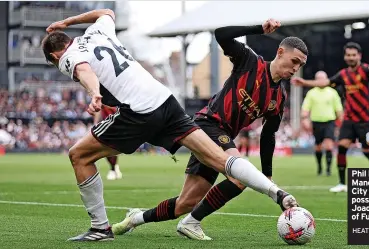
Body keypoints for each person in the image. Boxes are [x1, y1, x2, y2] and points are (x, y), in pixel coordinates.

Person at [42, 10, 298, 241]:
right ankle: (277, 194)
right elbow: (106, 12)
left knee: (79, 156)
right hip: (166, 100)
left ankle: (104, 227)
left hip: (139, 109)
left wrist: (94, 91)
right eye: (295, 62)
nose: (296, 69)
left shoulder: (69, 56)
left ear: (55, 55)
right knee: (223, 167)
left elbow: (84, 70)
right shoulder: (98, 30)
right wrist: (69, 21)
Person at [113, 21, 308, 240]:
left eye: (299, 66)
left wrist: (267, 174)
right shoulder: (250, 62)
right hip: (208, 125)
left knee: (185, 203)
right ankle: (192, 223)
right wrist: (259, 29)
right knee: (239, 176)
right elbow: (221, 34)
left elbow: (268, 134)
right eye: (294, 61)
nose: (294, 68)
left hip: (221, 137)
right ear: (280, 52)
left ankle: (134, 219)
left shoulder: (279, 98)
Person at [292, 42, 369, 192]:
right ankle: (342, 183)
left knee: (368, 152)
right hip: (349, 119)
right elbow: (325, 83)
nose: (351, 57)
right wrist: (304, 83)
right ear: (345, 56)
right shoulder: (343, 74)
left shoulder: (366, 69)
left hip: (365, 120)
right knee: (341, 148)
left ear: (359, 56)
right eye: (348, 55)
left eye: (354, 55)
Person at [301, 71, 343, 176]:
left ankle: (328, 169)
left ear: (326, 79)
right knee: (318, 147)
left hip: (329, 122)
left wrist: (341, 123)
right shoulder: (311, 93)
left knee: (329, 145)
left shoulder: (332, 92)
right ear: (315, 80)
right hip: (316, 122)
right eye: (318, 78)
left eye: (322, 78)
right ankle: (320, 167)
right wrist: (305, 119)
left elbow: (339, 110)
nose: (320, 81)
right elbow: (305, 109)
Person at [93, 105, 122, 180]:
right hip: (106, 124)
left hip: (117, 124)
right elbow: (98, 109)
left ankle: (113, 168)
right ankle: (114, 167)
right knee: (105, 148)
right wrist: (95, 123)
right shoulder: (103, 98)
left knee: (112, 147)